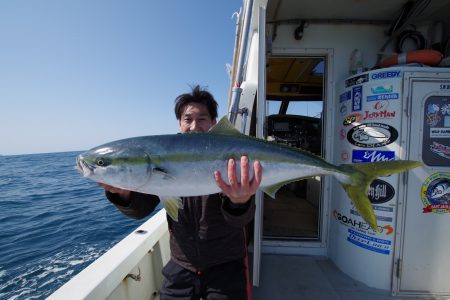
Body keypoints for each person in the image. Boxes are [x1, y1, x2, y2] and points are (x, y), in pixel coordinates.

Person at [99, 85, 263, 300]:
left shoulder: (228, 155)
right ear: (179, 123)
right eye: (187, 119)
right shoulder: (163, 155)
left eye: (202, 119)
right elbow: (141, 210)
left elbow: (238, 220)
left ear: (214, 122)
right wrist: (124, 195)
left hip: (226, 265)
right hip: (181, 265)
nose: (194, 126)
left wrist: (239, 202)